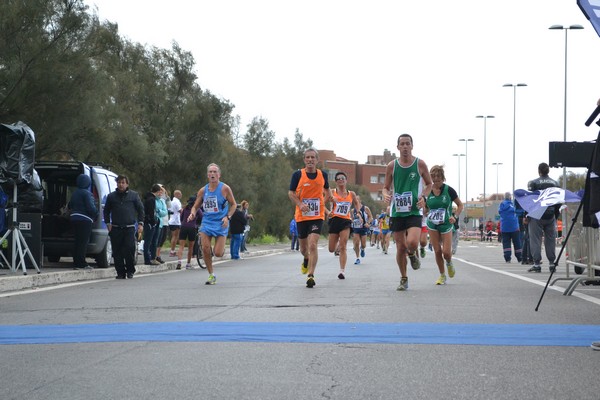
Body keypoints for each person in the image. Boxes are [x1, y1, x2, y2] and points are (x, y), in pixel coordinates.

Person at [383, 133, 432, 291]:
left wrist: (423, 197)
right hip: (397, 211)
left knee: (411, 243)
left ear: (412, 146)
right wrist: (385, 194)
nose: (405, 146)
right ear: (397, 147)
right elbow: (386, 187)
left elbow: (429, 184)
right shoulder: (392, 166)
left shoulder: (420, 164)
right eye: (402, 144)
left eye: (407, 143)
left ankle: (412, 253)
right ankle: (404, 278)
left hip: (414, 210)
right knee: (400, 247)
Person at [288, 148, 332, 288]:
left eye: (313, 157)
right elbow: (291, 193)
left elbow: (328, 192)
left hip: (316, 216)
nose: (310, 160)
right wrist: (300, 204)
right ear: (304, 160)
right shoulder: (298, 175)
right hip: (301, 216)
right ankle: (306, 259)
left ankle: (311, 275)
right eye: (308, 157)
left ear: (317, 160)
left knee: (313, 244)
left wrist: (321, 204)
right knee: (303, 248)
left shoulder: (322, 175)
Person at [188, 163, 237, 284]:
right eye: (210, 172)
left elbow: (234, 205)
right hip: (207, 222)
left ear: (219, 174)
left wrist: (228, 217)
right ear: (207, 175)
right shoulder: (203, 190)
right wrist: (192, 213)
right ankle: (211, 275)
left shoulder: (225, 188)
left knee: (218, 253)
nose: (212, 174)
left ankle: (220, 249)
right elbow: (195, 206)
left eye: (215, 172)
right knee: (205, 248)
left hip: (221, 223)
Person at [424, 165, 463, 285]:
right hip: (432, 224)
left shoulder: (449, 190)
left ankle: (449, 263)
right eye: (433, 176)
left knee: (446, 252)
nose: (436, 179)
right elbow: (425, 208)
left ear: (442, 177)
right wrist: (424, 211)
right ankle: (442, 275)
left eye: (438, 176)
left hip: (446, 224)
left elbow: (460, 205)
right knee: (437, 251)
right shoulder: (427, 191)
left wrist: (454, 216)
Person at [103, 175, 144, 279]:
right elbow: (106, 211)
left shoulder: (134, 196)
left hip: (129, 228)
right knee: (117, 251)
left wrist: (141, 223)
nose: (121, 185)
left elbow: (140, 210)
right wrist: (108, 223)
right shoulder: (111, 196)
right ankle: (120, 272)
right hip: (116, 228)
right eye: (119, 183)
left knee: (129, 249)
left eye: (123, 183)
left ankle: (130, 270)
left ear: (127, 184)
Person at [527, 162, 560, 273]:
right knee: (550, 239)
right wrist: (556, 215)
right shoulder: (555, 183)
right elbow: (558, 201)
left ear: (539, 171)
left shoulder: (533, 183)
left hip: (537, 213)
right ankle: (551, 263)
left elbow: (529, 200)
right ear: (548, 171)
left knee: (535, 239)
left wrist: (525, 215)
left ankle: (537, 264)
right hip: (550, 214)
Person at [326, 171, 359, 279]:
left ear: (346, 180)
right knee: (331, 249)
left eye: (342, 178)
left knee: (343, 245)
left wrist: (358, 212)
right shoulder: (331, 192)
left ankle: (342, 271)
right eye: (338, 178)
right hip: (334, 220)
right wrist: (328, 212)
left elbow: (356, 204)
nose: (341, 179)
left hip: (346, 220)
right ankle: (336, 247)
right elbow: (321, 203)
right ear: (336, 181)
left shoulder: (351, 194)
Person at [68, 173, 98, 270]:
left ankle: (76, 262)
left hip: (74, 218)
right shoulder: (87, 193)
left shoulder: (75, 193)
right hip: (85, 219)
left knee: (77, 241)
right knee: (83, 242)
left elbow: (70, 205)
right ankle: (82, 263)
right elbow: (91, 208)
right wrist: (96, 214)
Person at [177, 196, 202, 270]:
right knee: (190, 247)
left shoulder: (185, 208)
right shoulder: (197, 209)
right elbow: (201, 217)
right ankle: (188, 264)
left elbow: (181, 218)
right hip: (192, 228)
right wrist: (197, 223)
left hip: (183, 227)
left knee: (181, 246)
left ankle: (179, 262)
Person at [498, 192, 522, 263]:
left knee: (506, 243)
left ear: (504, 197)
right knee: (517, 243)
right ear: (510, 197)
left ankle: (507, 258)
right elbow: (519, 212)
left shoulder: (501, 204)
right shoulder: (513, 204)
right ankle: (519, 257)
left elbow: (500, 212)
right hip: (514, 227)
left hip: (504, 227)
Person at [351, 195, 372, 264]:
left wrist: (368, 223)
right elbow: (351, 218)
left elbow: (370, 217)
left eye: (357, 199)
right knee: (356, 243)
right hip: (356, 228)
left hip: (363, 228)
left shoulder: (365, 208)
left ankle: (362, 249)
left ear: (360, 200)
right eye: (354, 200)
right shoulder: (352, 210)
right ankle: (357, 258)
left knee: (363, 244)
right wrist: (351, 220)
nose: (356, 201)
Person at [154, 185, 170, 263]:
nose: (161, 191)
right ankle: (156, 255)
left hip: (165, 221)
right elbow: (159, 210)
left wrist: (166, 195)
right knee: (158, 239)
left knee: (162, 239)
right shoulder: (157, 199)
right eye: (160, 189)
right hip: (160, 222)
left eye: (162, 189)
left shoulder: (164, 199)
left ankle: (158, 255)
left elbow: (169, 206)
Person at [169, 189, 183, 256]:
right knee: (175, 236)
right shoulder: (176, 202)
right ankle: (172, 251)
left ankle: (173, 250)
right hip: (176, 221)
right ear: (176, 195)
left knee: (174, 236)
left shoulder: (172, 201)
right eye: (180, 194)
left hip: (172, 220)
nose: (181, 195)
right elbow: (180, 210)